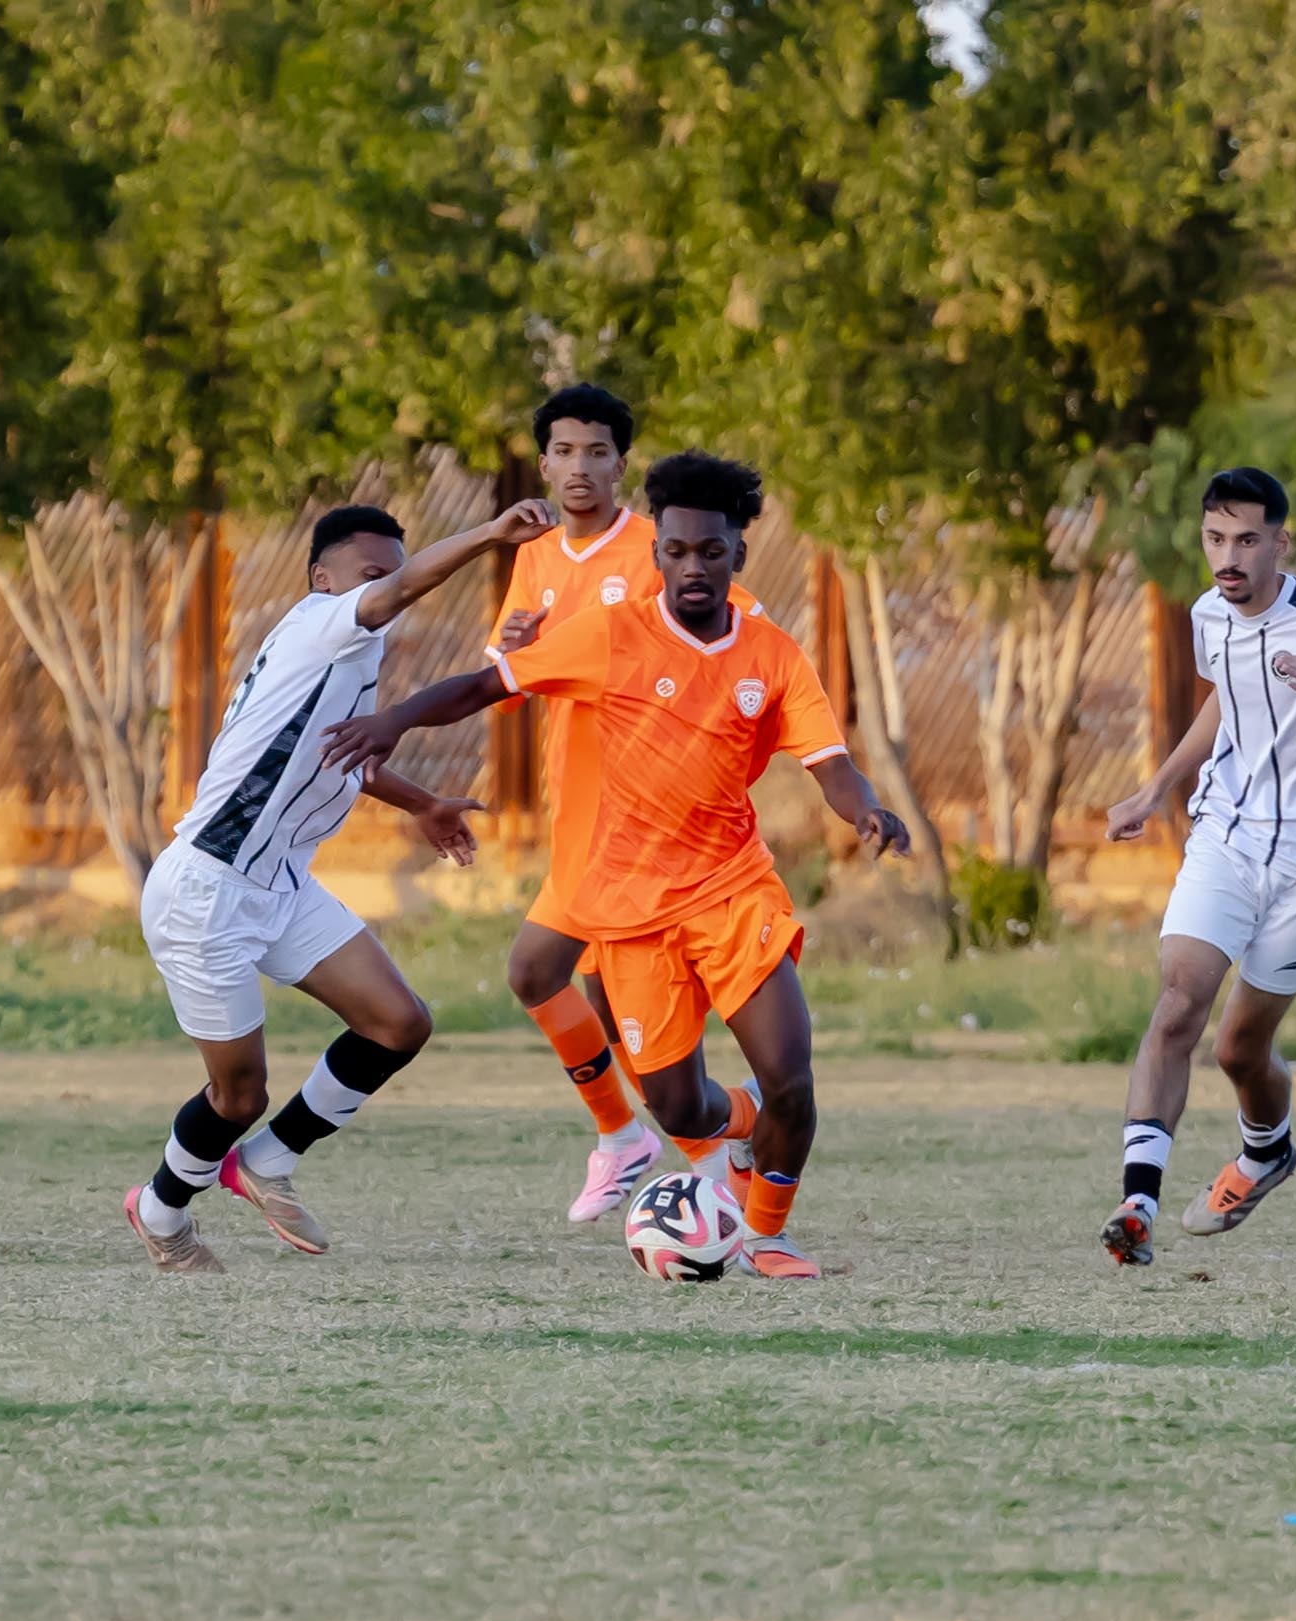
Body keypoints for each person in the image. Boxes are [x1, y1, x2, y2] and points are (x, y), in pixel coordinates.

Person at [320, 451, 910, 1279]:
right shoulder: (611, 633)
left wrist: (869, 811)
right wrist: (395, 723)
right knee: (678, 1104)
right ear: (656, 552)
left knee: (790, 1074)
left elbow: (831, 764)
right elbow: (485, 687)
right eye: (674, 551)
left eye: (710, 551)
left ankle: (766, 1235)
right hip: (629, 913)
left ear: (738, 555)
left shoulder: (773, 654)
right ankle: (739, 1132)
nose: (691, 567)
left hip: (734, 889)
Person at [123, 498, 555, 1272]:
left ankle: (270, 1160)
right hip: (206, 891)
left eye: (394, 569)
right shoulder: (320, 621)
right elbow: (399, 592)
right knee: (237, 1094)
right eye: (371, 574)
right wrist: (490, 535)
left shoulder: (349, 661)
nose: (388, 587)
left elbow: (342, 750)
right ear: (324, 579)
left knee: (399, 1023)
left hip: (281, 886)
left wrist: (422, 802)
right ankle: (159, 1210)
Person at [1097, 467, 1296, 1267]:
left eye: (1246, 540)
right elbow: (1224, 702)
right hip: (1229, 835)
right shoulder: (1210, 611)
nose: (1228, 557)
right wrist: (1156, 787)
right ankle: (1138, 1200)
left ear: (1282, 540)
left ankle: (1265, 1150)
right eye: (1215, 539)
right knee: (1178, 1002)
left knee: (1239, 1049)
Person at [490, 384, 742, 1223]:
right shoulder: (533, 556)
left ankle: (706, 1152)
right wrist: (515, 649)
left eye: (596, 451)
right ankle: (668, 1144)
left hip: (646, 824)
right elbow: (508, 669)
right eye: (563, 451)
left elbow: (724, 642)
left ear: (622, 464)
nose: (579, 468)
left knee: (547, 974)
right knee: (586, 999)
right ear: (542, 462)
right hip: (579, 815)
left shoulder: (657, 548)